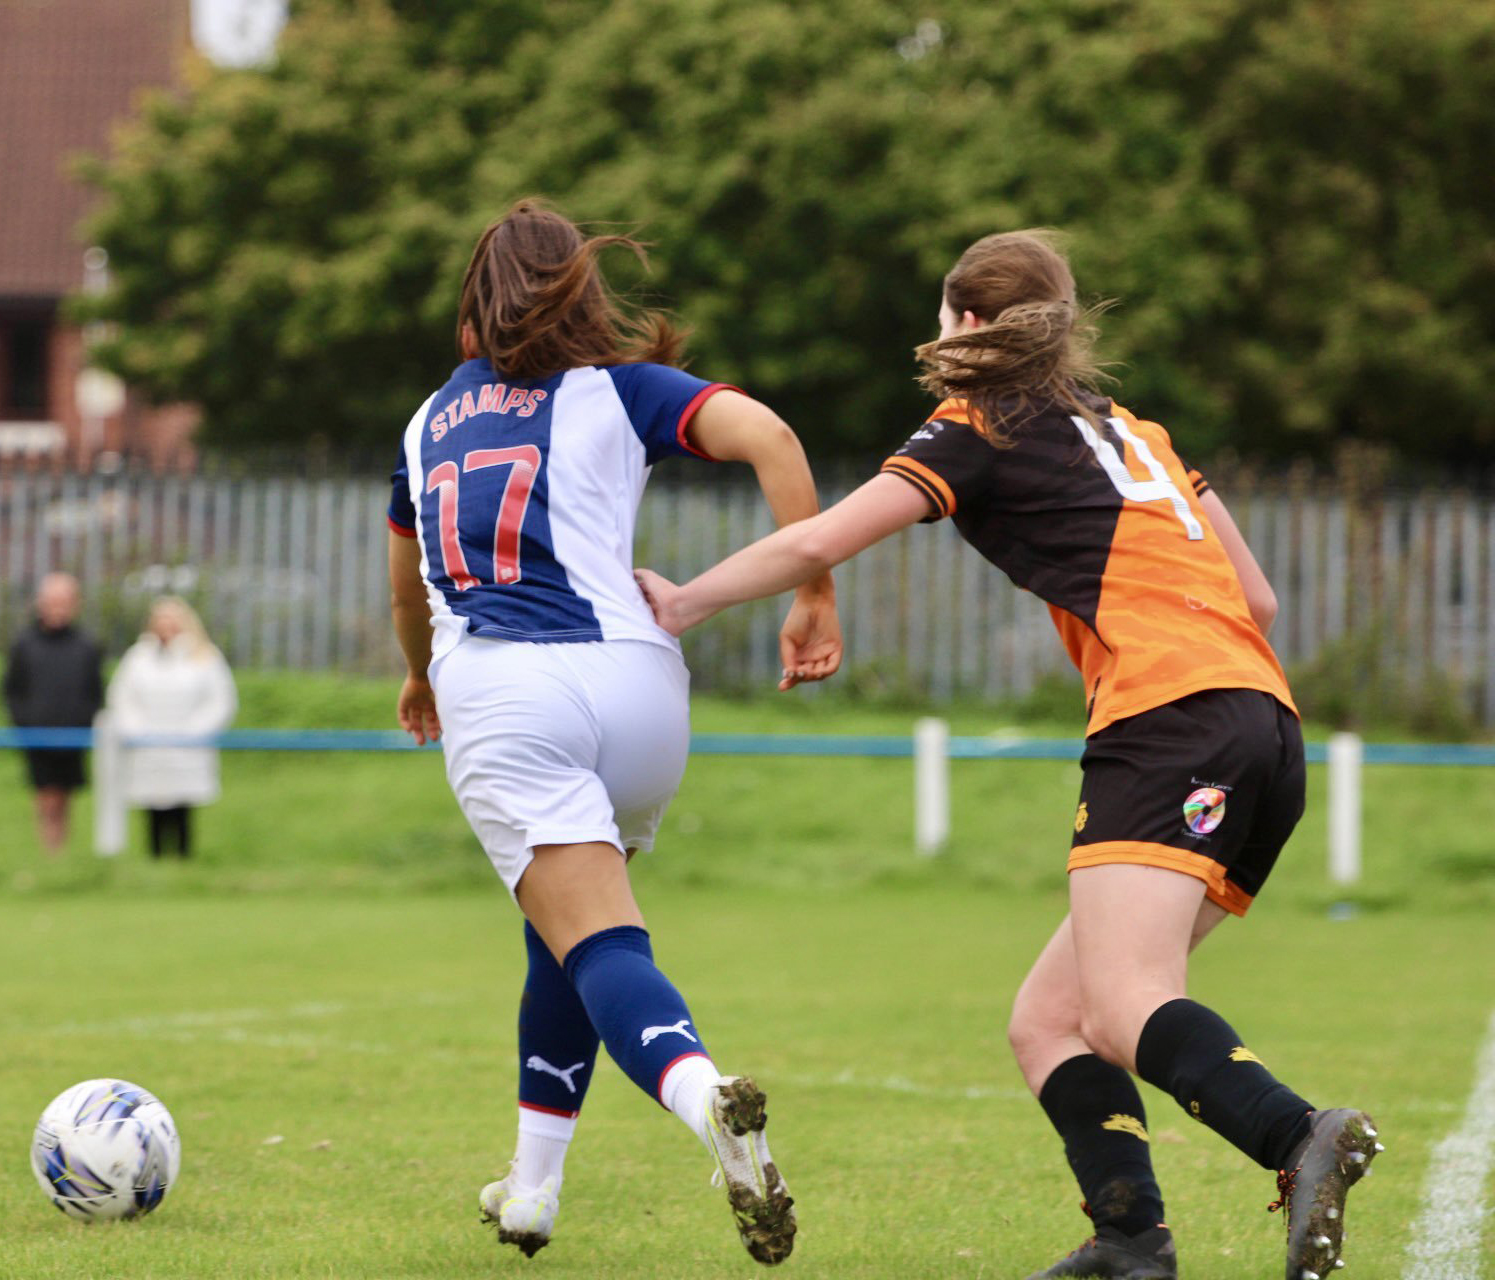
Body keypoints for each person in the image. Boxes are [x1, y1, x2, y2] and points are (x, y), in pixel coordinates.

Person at [636, 230, 1379, 1280]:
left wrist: (684, 599)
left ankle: (1299, 1132)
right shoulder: (1137, 430)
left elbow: (819, 540)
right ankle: (1131, 1241)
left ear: (970, 323)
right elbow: (1256, 598)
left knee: (1122, 1001)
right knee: (1051, 1020)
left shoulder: (975, 423)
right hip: (1264, 722)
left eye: (943, 319)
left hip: (1168, 719)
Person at [387, 200, 842, 1265]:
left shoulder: (422, 424)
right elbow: (770, 435)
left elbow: (408, 591)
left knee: (594, 938)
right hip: (641, 686)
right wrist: (812, 588)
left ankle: (704, 1096)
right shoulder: (624, 389)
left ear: (471, 319)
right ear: (585, 301)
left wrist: (417, 676)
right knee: (568, 933)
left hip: (508, 692)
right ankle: (532, 1188)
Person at [106, 597, 237, 859]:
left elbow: (221, 700)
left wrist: (195, 732)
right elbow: (122, 697)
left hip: (188, 744)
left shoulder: (204, 655)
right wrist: (136, 730)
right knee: (152, 804)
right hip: (147, 744)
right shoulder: (138, 657)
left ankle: (183, 862)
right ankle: (154, 861)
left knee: (183, 806)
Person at [1, 572, 104, 854]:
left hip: (73, 736)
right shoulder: (24, 644)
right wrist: (25, 724)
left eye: (65, 601)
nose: (58, 608)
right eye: (53, 601)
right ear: (40, 603)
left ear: (75, 604)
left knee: (65, 798)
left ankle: (61, 857)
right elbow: (11, 691)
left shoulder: (86, 645)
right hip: (37, 736)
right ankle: (49, 854)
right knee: (46, 798)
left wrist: (83, 723)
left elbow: (96, 692)